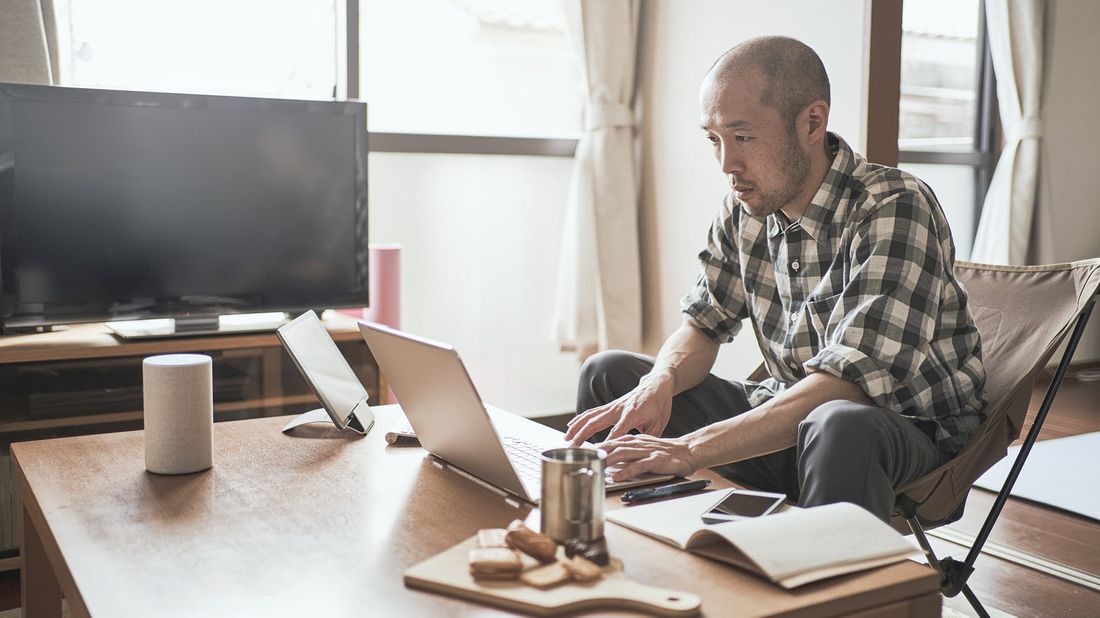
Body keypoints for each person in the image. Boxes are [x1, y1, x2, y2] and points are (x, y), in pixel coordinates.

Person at [564, 36, 986, 522]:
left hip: (902, 434)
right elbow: (704, 322)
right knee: (610, 375)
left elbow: (847, 386)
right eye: (714, 139)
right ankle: (624, 543)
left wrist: (690, 449)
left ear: (812, 121)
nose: (727, 164)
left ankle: (830, 591)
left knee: (838, 424)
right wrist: (659, 381)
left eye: (742, 137)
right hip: (793, 422)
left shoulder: (893, 206)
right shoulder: (745, 206)